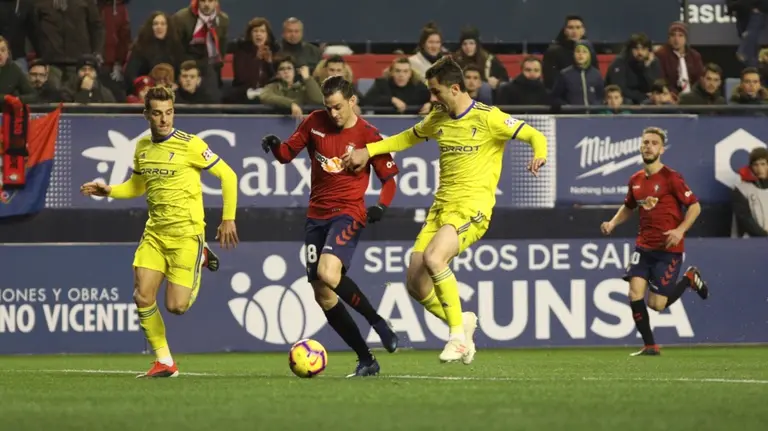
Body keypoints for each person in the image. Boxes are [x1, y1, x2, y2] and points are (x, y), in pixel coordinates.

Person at [342, 57, 548, 364]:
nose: (432, 99)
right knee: (415, 282)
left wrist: (539, 155)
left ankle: (457, 338)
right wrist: (368, 150)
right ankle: (463, 321)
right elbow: (409, 136)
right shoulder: (439, 117)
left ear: (455, 88)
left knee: (434, 258)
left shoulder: (488, 118)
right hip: (441, 208)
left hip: (472, 208)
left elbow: (535, 134)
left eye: (436, 92)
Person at [80, 86, 239, 377]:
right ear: (146, 115)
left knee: (176, 306)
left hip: (187, 234)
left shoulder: (190, 144)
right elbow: (137, 187)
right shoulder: (142, 147)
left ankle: (201, 257)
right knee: (142, 296)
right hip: (155, 233)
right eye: (157, 113)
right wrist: (109, 190)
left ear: (173, 112)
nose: (164, 119)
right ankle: (165, 361)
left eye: (168, 113)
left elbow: (228, 175)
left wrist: (228, 218)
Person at [260, 76, 400, 378]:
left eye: (338, 107)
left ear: (352, 101)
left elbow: (389, 180)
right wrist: (274, 145)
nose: (333, 113)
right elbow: (287, 155)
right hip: (316, 216)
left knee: (327, 273)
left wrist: (381, 206)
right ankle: (366, 359)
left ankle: (377, 321)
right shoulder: (314, 122)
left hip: (348, 212)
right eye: (328, 107)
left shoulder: (369, 134)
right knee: (322, 292)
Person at [600, 127, 709, 356]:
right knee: (634, 293)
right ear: (640, 146)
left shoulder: (672, 177)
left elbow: (695, 206)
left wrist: (680, 230)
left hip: (668, 249)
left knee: (657, 305)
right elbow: (629, 207)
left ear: (662, 149)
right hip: (644, 246)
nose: (648, 146)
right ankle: (650, 345)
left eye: (653, 143)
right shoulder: (635, 180)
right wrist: (612, 223)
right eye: (645, 142)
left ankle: (688, 279)